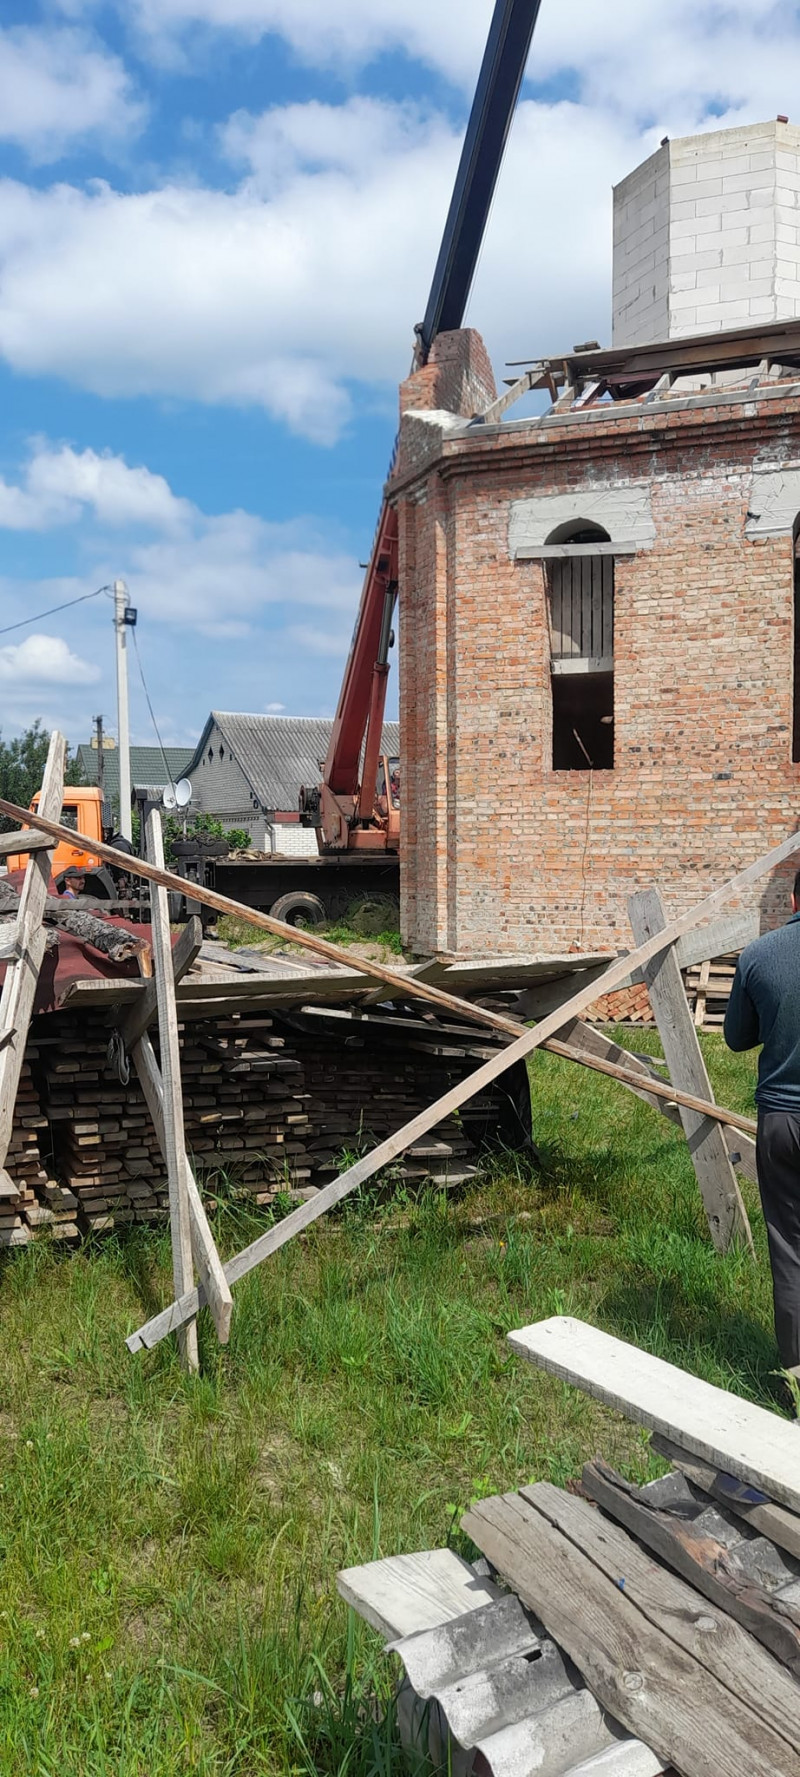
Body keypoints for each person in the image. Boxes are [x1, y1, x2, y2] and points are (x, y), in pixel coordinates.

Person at [725, 870, 800, 1380]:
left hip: (781, 1122)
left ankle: (798, 1380)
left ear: (793, 897)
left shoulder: (758, 956)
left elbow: (735, 1038)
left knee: (791, 1250)